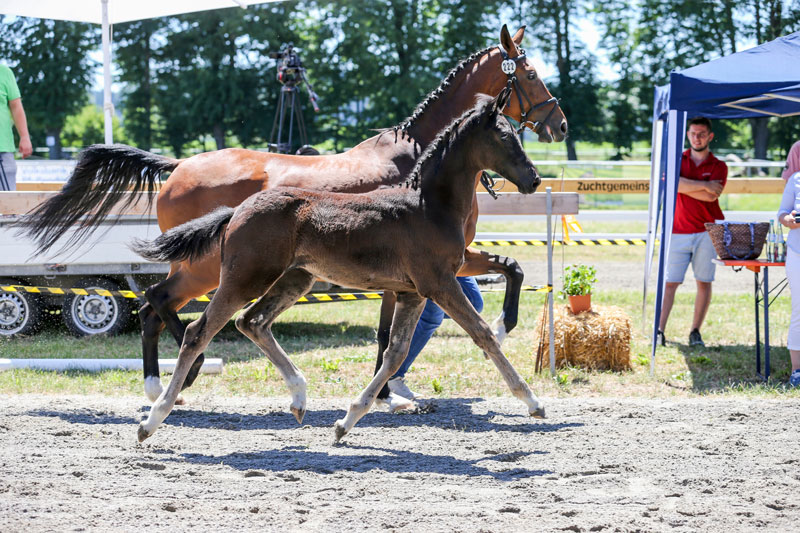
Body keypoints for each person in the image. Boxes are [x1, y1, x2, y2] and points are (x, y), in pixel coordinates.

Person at [658, 117, 727, 348]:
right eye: (693, 133)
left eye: (701, 134)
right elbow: (671, 185)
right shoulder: (677, 159)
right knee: (670, 282)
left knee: (704, 282)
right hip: (677, 230)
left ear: (710, 136)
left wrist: (686, 185)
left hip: (707, 231)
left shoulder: (719, 165)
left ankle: (695, 331)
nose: (696, 137)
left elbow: (711, 196)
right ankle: (659, 330)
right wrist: (704, 185)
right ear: (687, 134)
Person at [385, 276, 483, 400]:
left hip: (460, 260)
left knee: (474, 303)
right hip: (433, 262)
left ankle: (422, 311)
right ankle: (392, 377)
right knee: (431, 318)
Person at [777, 140, 800, 387]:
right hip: (797, 252)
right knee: (799, 310)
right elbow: (782, 212)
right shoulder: (795, 179)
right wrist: (789, 219)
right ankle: (797, 370)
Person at [0, 64, 32, 191]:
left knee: (9, 204)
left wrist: (25, 137)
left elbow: (16, 106)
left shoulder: (4, 72)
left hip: (2, 149)